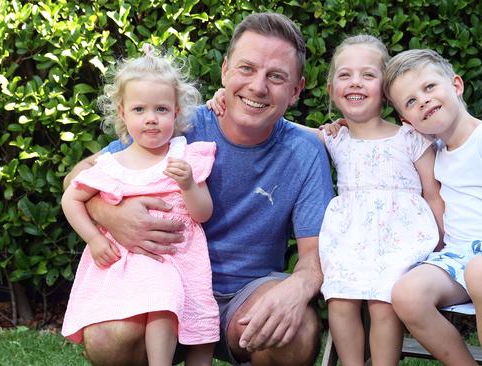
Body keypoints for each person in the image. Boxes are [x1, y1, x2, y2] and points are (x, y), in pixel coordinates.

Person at [63, 13, 334, 366]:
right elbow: (77, 179)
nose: (258, 86)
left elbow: (316, 254)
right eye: (247, 69)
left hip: (246, 294)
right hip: (165, 288)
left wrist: (297, 290)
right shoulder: (179, 124)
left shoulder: (304, 150)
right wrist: (109, 215)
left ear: (296, 90)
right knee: (107, 337)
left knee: (296, 334)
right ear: (225, 71)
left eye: (276, 77)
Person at [208, 35, 444, 366]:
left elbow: (434, 193)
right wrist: (230, 98)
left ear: (387, 88)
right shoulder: (336, 138)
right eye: (345, 75)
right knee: (340, 303)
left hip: (398, 241)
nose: (355, 82)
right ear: (332, 88)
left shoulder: (410, 137)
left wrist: (441, 241)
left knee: (382, 305)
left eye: (368, 75)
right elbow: (279, 124)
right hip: (353, 242)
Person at [384, 49, 482, 366]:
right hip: (459, 255)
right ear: (408, 122)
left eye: (429, 87)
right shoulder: (437, 152)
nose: (424, 101)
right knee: (406, 294)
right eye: (411, 101)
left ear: (456, 85)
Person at [61, 45, 218, 366]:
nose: (151, 119)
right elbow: (70, 198)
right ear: (122, 112)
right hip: (128, 263)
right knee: (158, 296)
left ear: (176, 112)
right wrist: (94, 237)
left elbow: (203, 213)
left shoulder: (184, 157)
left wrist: (188, 184)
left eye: (161, 109)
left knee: (195, 323)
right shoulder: (111, 163)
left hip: (181, 256)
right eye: (139, 110)